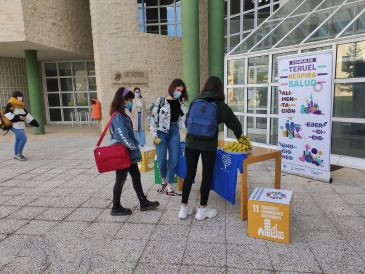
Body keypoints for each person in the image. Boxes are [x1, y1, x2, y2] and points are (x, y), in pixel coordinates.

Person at [179, 76, 243, 220]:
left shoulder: (196, 101)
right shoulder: (220, 105)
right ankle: (202, 210)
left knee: (189, 174)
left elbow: (188, 122)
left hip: (191, 143)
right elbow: (234, 124)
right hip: (208, 145)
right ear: (219, 89)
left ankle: (183, 208)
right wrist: (240, 137)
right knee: (207, 175)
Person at [109, 87, 160, 215]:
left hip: (128, 154)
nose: (130, 102)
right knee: (120, 179)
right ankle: (115, 208)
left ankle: (143, 202)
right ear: (122, 100)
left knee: (136, 176)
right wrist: (133, 146)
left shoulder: (123, 114)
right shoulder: (117, 116)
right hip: (123, 154)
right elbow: (122, 135)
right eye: (129, 99)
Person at [150, 79, 188, 196]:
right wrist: (154, 134)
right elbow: (152, 117)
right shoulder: (161, 100)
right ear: (172, 88)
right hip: (161, 132)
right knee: (161, 160)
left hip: (174, 131)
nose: (179, 93)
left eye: (181, 91)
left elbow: (184, 119)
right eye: (178, 90)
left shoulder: (181, 104)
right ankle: (163, 181)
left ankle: (170, 184)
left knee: (174, 158)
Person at [4, 91, 39, 161]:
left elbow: (27, 115)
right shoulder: (11, 104)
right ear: (15, 97)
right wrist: (18, 117)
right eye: (19, 96)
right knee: (23, 138)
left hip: (21, 126)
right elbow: (7, 114)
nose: (21, 98)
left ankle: (16, 154)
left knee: (18, 140)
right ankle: (19, 154)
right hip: (14, 126)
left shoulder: (21, 106)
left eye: (21, 97)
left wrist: (34, 122)